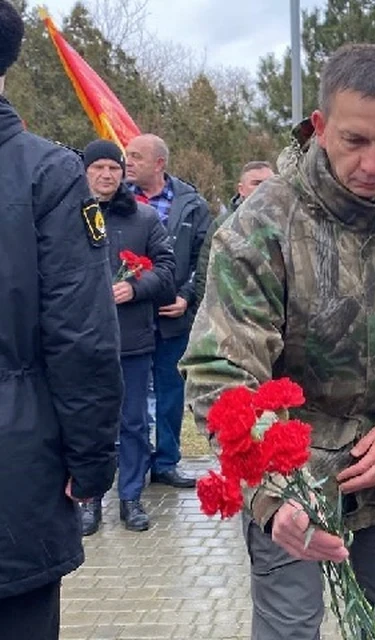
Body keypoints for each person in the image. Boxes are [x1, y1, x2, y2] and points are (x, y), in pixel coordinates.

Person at [180, 43, 375, 640]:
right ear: (320, 127)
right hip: (290, 479)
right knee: (291, 630)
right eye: (354, 140)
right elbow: (221, 372)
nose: (373, 162)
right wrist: (272, 497)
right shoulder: (262, 225)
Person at [0, 3, 123, 636]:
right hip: (16, 472)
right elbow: (81, 338)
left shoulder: (46, 173)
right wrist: (91, 462)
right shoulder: (48, 173)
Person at [79, 139, 176, 535]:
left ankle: (131, 496)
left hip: (132, 341)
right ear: (85, 172)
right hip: (81, 341)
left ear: (123, 174)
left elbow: (168, 270)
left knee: (133, 422)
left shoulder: (144, 218)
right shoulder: (68, 215)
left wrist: (135, 288)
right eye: (98, 168)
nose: (106, 175)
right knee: (87, 422)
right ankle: (88, 500)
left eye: (114, 168)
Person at [126, 133, 211, 489]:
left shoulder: (193, 205)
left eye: (136, 156)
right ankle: (133, 462)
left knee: (171, 393)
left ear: (159, 163)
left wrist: (188, 296)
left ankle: (166, 462)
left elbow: (204, 258)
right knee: (129, 395)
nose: (127, 161)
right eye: (126, 155)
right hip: (130, 317)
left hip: (173, 317)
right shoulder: (117, 201)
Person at [194, 160, 275, 308]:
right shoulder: (222, 225)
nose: (264, 188)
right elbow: (205, 273)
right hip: (232, 311)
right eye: (256, 183)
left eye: (269, 183)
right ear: (241, 189)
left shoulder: (287, 223)